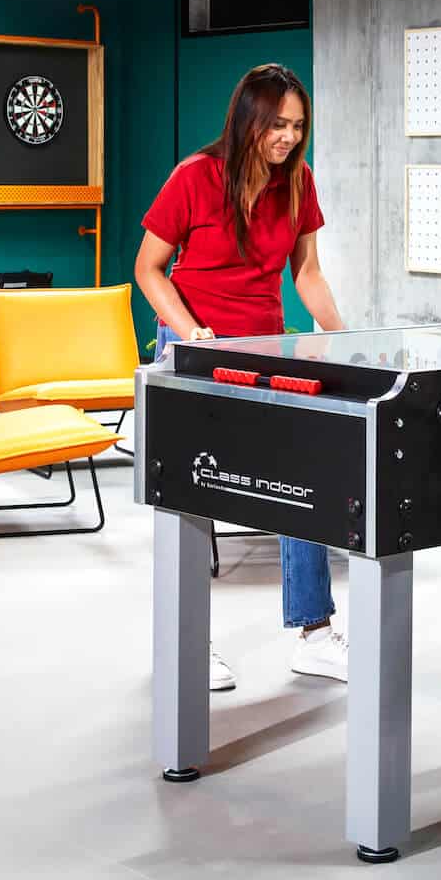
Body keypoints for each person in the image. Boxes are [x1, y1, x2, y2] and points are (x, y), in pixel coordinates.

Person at [136, 63, 349, 692]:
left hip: (266, 346)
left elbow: (306, 273)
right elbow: (150, 268)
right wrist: (188, 329)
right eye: (278, 124)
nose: (288, 137)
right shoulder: (195, 177)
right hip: (193, 345)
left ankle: (313, 634)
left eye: (298, 126)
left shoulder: (297, 183)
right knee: (195, 485)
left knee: (300, 477)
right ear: (249, 119)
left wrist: (343, 339)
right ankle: (187, 643)